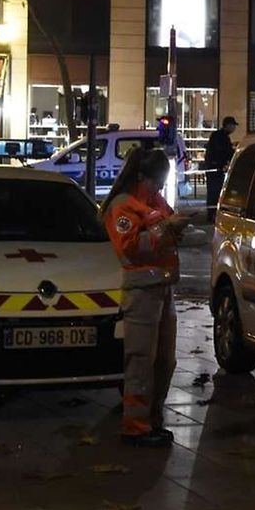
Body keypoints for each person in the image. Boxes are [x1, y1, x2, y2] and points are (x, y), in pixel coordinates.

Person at [101, 147, 189, 448]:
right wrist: (167, 228)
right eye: (156, 182)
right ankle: (135, 425)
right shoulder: (123, 206)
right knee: (141, 359)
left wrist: (177, 229)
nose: (160, 188)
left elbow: (163, 229)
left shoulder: (153, 200)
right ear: (141, 177)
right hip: (141, 292)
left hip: (164, 289)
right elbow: (129, 247)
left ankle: (153, 419)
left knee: (165, 360)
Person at [204, 115, 238, 223]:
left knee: (214, 191)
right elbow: (224, 152)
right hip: (215, 168)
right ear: (228, 125)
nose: (234, 129)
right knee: (215, 191)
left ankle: (212, 214)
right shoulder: (221, 137)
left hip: (215, 167)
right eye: (233, 126)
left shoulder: (219, 136)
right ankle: (212, 214)